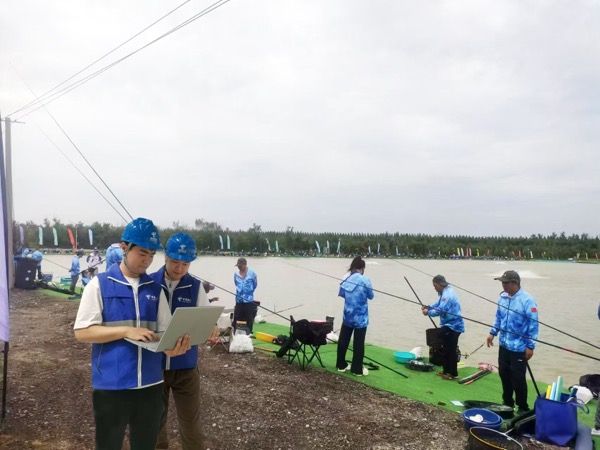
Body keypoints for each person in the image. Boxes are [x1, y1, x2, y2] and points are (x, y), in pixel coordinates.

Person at [73, 218, 191, 450]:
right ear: (124, 247)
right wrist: (126, 331)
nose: (147, 261)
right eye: (142, 253)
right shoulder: (99, 285)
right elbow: (83, 332)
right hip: (111, 386)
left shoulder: (155, 289)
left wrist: (172, 348)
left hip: (151, 386)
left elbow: (165, 332)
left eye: (151, 255)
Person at [151, 233, 216, 450]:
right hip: (154, 367)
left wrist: (213, 327)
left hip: (186, 367)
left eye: (185, 264)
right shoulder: (148, 283)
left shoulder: (196, 287)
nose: (179, 268)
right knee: (155, 423)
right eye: (175, 262)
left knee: (191, 424)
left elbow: (207, 318)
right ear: (165, 257)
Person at [486, 270, 539, 414]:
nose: (503, 285)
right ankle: (508, 403)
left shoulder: (527, 300)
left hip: (519, 348)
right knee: (504, 374)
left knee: (518, 378)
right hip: (504, 344)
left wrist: (530, 346)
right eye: (502, 282)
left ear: (515, 283)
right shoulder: (502, 298)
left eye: (506, 283)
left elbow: (534, 324)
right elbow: (499, 317)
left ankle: (522, 406)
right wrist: (492, 333)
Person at [336, 256, 374, 377]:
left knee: (343, 341)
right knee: (358, 344)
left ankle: (341, 365)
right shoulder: (365, 280)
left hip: (347, 315)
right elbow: (371, 296)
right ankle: (356, 370)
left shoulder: (346, 279)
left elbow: (342, 293)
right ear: (362, 268)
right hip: (361, 318)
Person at [422, 275, 465, 381]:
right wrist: (429, 307)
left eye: (435, 286)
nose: (434, 288)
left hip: (454, 326)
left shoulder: (448, 295)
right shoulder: (444, 291)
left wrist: (428, 312)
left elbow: (441, 310)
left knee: (451, 350)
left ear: (440, 284)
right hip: (448, 325)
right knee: (445, 348)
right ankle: (446, 371)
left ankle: (453, 374)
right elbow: (438, 304)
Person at [233, 257, 258, 334]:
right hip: (239, 300)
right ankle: (236, 333)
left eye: (240, 266)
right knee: (237, 318)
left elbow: (255, 285)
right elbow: (236, 283)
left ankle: (248, 334)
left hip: (248, 301)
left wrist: (248, 292)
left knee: (248, 319)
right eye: (238, 266)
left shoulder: (252, 273)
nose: (239, 267)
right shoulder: (236, 274)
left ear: (245, 265)